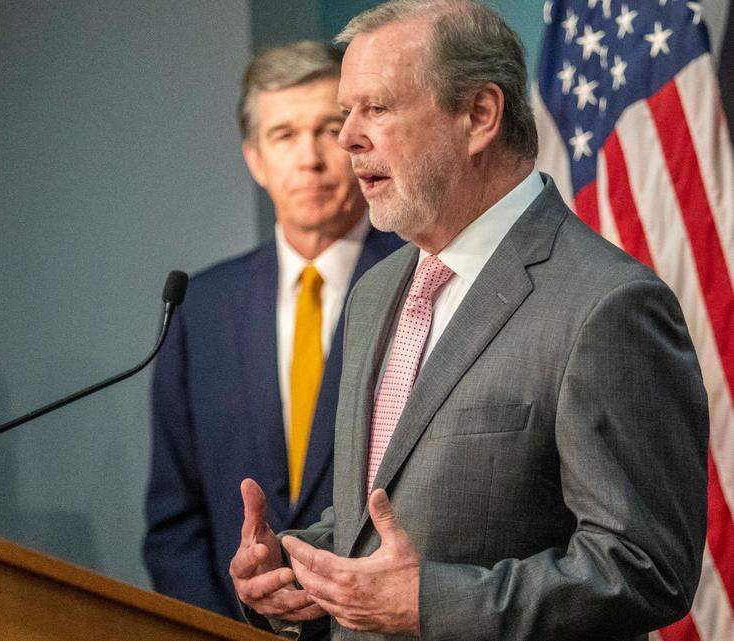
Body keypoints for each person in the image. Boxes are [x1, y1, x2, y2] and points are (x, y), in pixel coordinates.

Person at [230, 2, 709, 640]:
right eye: (348, 111)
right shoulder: (377, 291)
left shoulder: (607, 304)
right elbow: (380, 520)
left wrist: (433, 602)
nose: (347, 137)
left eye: (376, 108)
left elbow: (647, 568)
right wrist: (297, 569)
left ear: (479, 115)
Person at [144, 41, 403, 618]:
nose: (309, 158)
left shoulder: (419, 281)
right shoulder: (201, 308)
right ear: (255, 159)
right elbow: (174, 522)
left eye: (328, 129)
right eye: (284, 135)